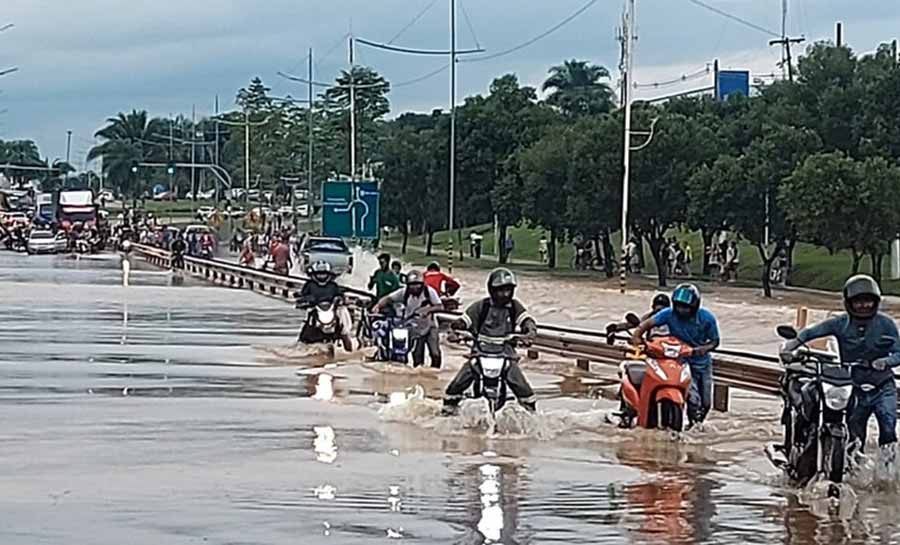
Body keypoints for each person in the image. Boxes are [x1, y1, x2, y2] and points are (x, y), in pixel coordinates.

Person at [781, 275, 900, 456]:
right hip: (854, 385)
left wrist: (886, 362)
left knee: (888, 423)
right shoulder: (840, 323)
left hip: (882, 384)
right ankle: (852, 469)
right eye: (858, 302)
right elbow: (811, 333)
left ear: (876, 301)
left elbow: (899, 353)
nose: (864, 306)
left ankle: (888, 468)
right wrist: (792, 345)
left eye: (868, 301)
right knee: (855, 431)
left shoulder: (886, 324)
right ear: (848, 303)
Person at [442, 268, 538, 416]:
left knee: (524, 389)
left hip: (506, 355)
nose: (505, 294)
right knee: (456, 385)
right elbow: (462, 322)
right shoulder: (481, 306)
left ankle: (532, 418)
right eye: (500, 290)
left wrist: (529, 333)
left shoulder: (514, 307)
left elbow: (527, 320)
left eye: (508, 290)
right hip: (480, 353)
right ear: (492, 290)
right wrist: (455, 332)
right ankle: (447, 412)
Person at [631, 284, 720, 427]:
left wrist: (703, 349)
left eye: (685, 308)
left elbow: (715, 341)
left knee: (706, 403)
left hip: (702, 363)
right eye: (678, 306)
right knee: (693, 399)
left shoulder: (707, 318)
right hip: (680, 361)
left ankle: (695, 426)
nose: (681, 310)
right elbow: (645, 325)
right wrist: (637, 338)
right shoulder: (668, 314)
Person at [372, 270, 443, 368]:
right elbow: (389, 298)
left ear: (422, 284)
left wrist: (427, 310)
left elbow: (440, 306)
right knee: (417, 356)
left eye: (417, 285)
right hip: (413, 327)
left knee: (435, 353)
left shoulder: (429, 292)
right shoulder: (404, 292)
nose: (414, 287)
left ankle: (436, 374)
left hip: (430, 326)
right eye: (411, 285)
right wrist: (378, 306)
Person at [295, 260, 354, 352]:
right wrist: (303, 302)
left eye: (323, 273)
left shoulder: (333, 285)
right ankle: (302, 344)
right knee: (307, 323)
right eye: (319, 273)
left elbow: (340, 295)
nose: (321, 276)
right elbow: (302, 296)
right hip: (315, 309)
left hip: (331, 309)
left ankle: (349, 350)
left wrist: (341, 299)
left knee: (343, 326)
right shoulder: (309, 285)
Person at [606, 293, 671, 342]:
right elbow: (637, 325)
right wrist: (615, 327)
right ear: (653, 307)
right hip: (652, 345)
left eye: (662, 307)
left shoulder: (673, 318)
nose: (659, 309)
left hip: (670, 345)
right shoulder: (648, 317)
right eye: (657, 306)